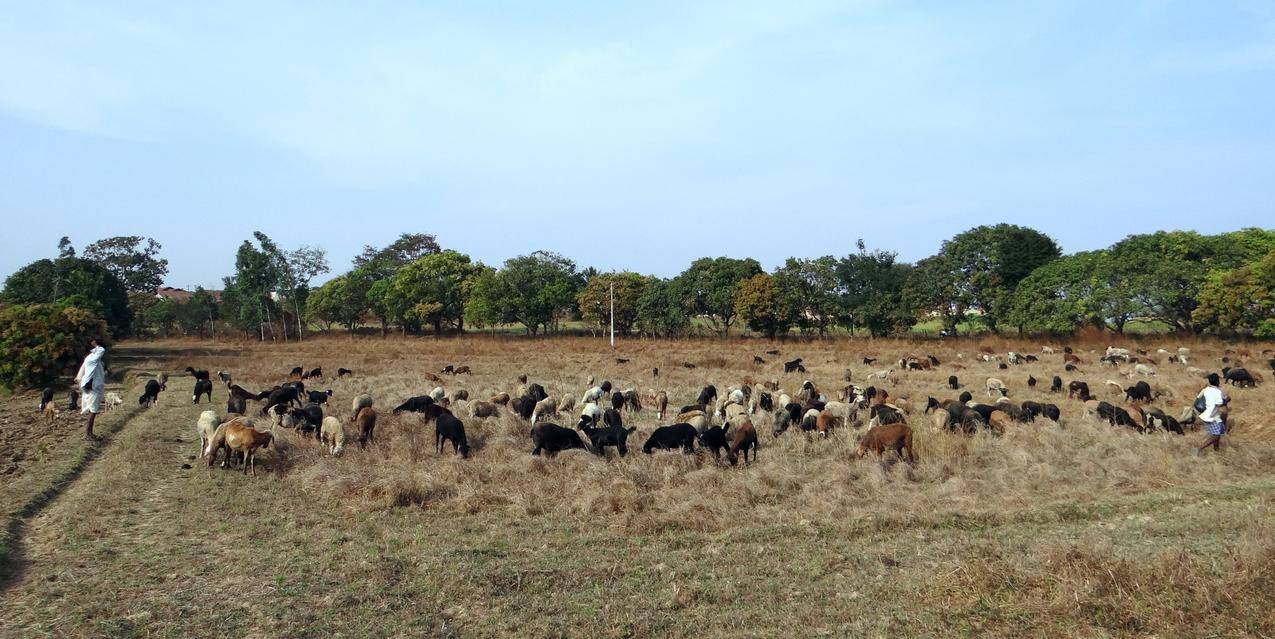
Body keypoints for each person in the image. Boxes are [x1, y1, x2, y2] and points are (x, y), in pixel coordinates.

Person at [74, 339, 107, 440]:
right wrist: (97, 345)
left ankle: (89, 433)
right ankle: (88, 434)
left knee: (92, 409)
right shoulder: (93, 359)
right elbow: (101, 350)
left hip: (91, 386)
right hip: (93, 387)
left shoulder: (91, 359)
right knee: (93, 410)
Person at [1192, 373, 1228, 456]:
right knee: (1216, 435)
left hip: (1204, 415)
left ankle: (1217, 450)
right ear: (1218, 381)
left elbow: (1197, 401)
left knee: (1217, 434)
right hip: (1214, 416)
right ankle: (1198, 449)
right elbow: (1221, 403)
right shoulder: (1219, 391)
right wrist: (1227, 399)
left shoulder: (1205, 389)